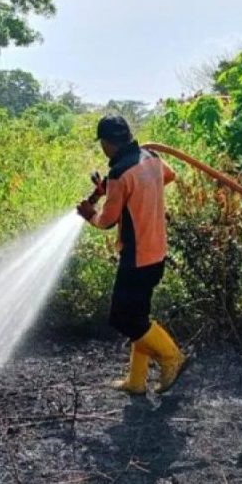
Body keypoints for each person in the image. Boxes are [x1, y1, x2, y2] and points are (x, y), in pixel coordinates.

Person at [76, 115, 187, 395]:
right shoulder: (149, 157)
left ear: (107, 143)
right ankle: (137, 381)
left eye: (102, 144)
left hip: (137, 257)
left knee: (123, 318)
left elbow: (107, 221)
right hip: (157, 252)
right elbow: (170, 176)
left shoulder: (119, 174)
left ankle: (172, 356)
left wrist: (89, 213)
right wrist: (135, 193)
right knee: (139, 316)